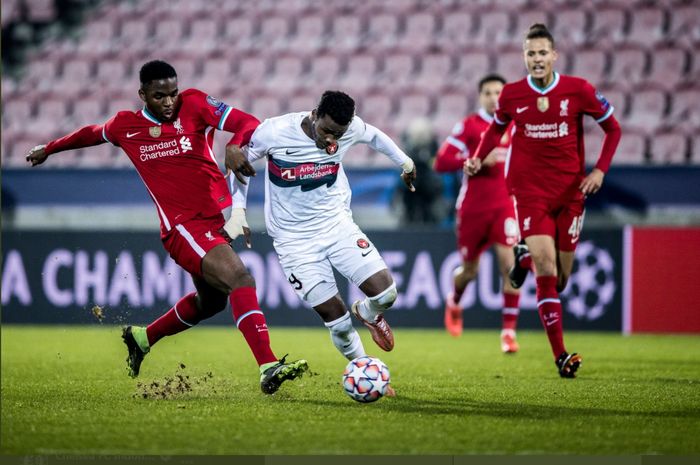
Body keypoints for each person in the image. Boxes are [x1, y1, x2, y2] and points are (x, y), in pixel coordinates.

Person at [25, 60, 308, 394]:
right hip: (182, 229)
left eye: (173, 93)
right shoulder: (125, 126)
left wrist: (234, 144)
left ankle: (143, 338)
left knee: (212, 303)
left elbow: (248, 122)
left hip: (212, 224)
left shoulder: (196, 104)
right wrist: (50, 148)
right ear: (142, 94)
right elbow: (91, 133)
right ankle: (268, 365)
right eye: (160, 96)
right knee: (241, 279)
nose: (170, 102)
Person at [466, 24, 622, 378]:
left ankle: (522, 259)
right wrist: (478, 156)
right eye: (530, 54)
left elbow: (613, 128)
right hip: (530, 191)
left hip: (571, 193)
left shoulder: (578, 90)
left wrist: (599, 171)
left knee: (562, 279)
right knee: (547, 270)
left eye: (542, 53)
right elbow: (496, 129)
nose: (536, 59)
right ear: (524, 57)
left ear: (554, 56)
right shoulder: (512, 95)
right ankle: (561, 356)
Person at [228, 91, 416, 371]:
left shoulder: (349, 128)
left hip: (336, 225)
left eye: (338, 135)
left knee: (386, 293)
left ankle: (368, 313)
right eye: (327, 131)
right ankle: (365, 369)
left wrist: (405, 163)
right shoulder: (275, 131)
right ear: (315, 114)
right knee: (337, 321)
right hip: (294, 241)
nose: (331, 140)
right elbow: (238, 166)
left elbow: (375, 136)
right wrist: (238, 211)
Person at [434, 74, 521, 353]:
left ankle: (508, 332)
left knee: (510, 265)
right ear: (480, 96)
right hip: (473, 208)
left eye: (499, 92)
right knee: (470, 270)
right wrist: (474, 161)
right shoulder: (470, 126)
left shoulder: (516, 125)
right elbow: (441, 161)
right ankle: (455, 300)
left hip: (505, 205)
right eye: (488, 93)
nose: (495, 98)